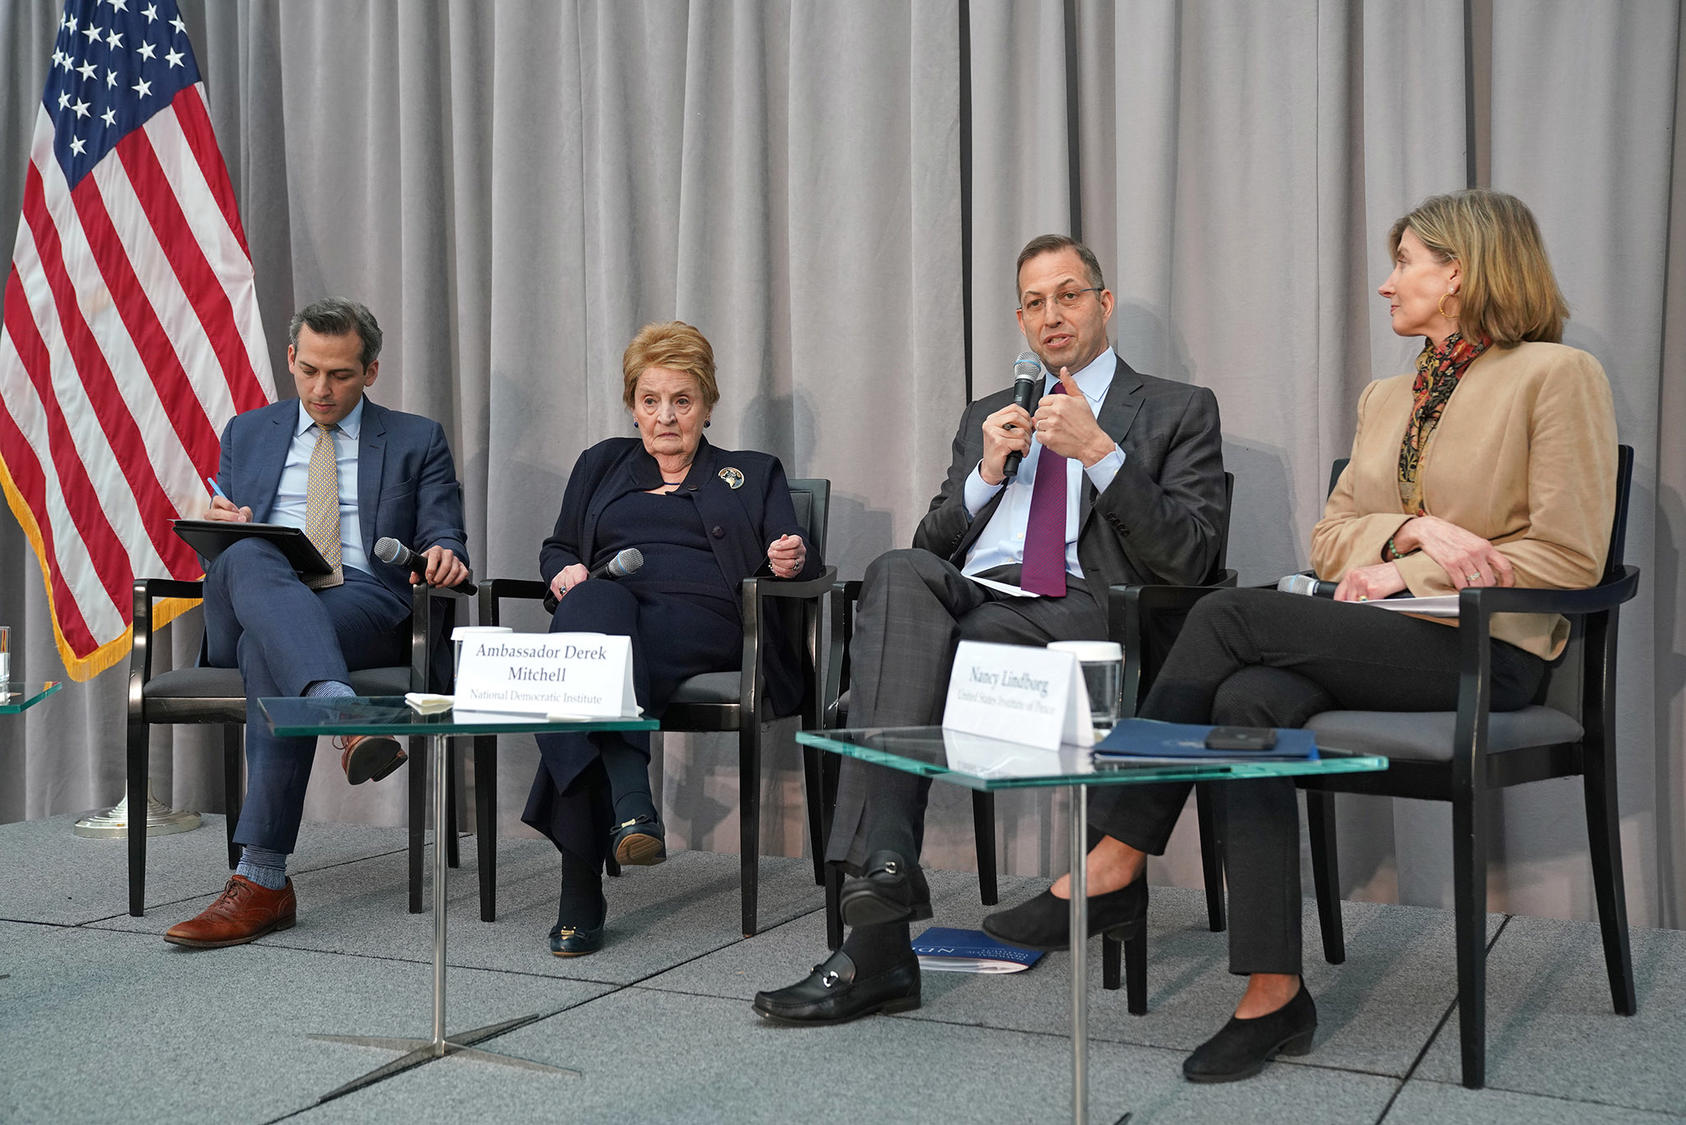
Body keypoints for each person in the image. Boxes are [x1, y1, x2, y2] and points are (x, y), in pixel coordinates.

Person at [985, 190, 1618, 1082]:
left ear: (1460, 272)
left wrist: (1408, 566)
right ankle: (1273, 992)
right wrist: (1414, 532)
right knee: (1248, 700)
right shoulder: (1389, 394)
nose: (1387, 284)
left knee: (1226, 612)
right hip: (1379, 638)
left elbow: (1569, 554)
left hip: (1491, 653)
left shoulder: (1558, 376)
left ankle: (1115, 852)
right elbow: (1333, 536)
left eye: (1405, 264)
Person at [753, 234, 1227, 1024]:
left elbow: (1190, 559)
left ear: (1103, 305)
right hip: (976, 598)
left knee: (898, 657)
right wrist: (983, 477)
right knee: (898, 573)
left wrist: (1102, 454)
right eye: (1035, 303)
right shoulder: (989, 412)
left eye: (1069, 296)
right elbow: (932, 543)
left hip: (1083, 613)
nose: (1053, 316)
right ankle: (893, 864)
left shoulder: (1177, 408)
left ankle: (876, 930)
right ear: (1021, 318)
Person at [164, 297, 470, 949]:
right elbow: (221, 539)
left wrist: (445, 553)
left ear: (373, 370)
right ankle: (340, 709)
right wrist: (220, 528)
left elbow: (445, 531)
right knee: (247, 554)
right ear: (290, 359)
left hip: (361, 599)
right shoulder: (247, 431)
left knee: (266, 647)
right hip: (251, 587)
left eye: (341, 375)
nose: (322, 388)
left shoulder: (418, 439)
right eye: (309, 372)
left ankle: (262, 877)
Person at [525, 320, 821, 957]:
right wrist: (563, 571)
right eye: (650, 400)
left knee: (580, 662)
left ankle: (586, 876)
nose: (665, 417)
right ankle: (630, 805)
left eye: (681, 401)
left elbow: (787, 558)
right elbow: (557, 547)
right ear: (633, 405)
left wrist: (786, 559)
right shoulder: (600, 464)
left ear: (707, 406)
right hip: (609, 615)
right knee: (598, 609)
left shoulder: (753, 472)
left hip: (710, 622)